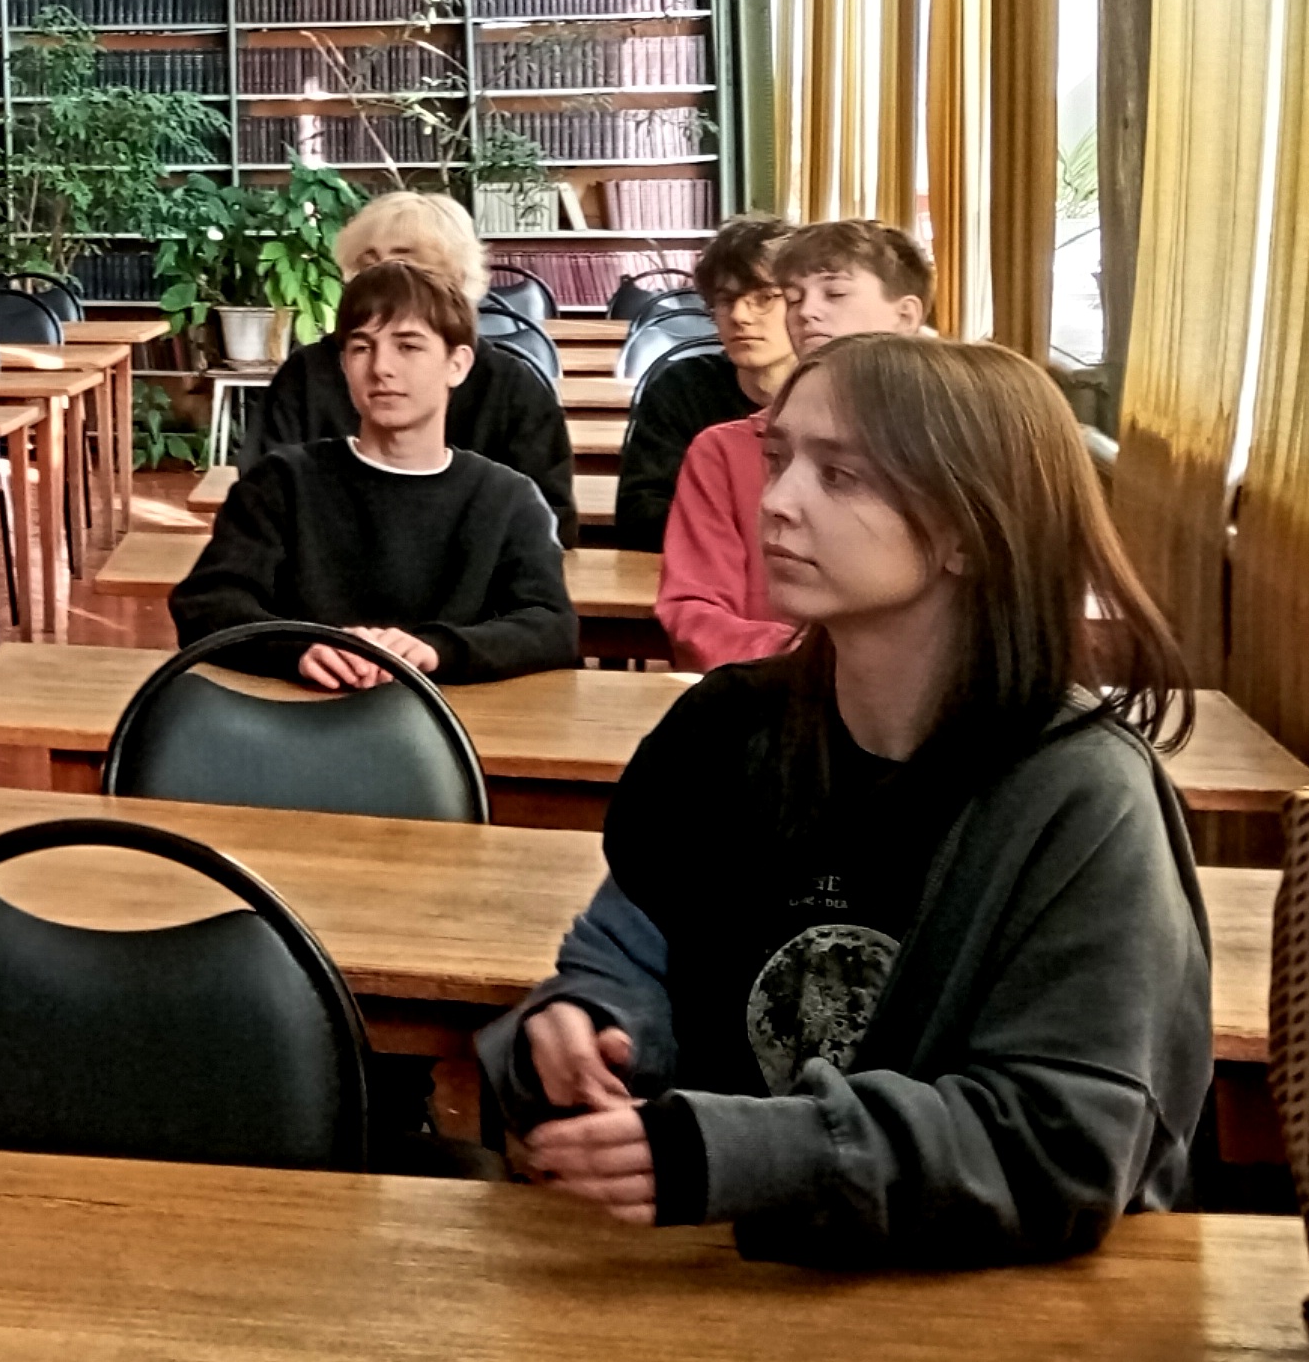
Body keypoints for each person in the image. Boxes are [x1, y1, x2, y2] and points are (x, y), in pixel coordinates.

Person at [482, 334, 1207, 1267]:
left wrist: (745, 1154)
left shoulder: (1081, 796)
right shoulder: (722, 732)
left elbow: (1059, 1142)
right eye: (779, 459)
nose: (775, 501)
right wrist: (583, 1025)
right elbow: (624, 955)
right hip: (722, 1274)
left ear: (965, 530)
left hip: (978, 1297)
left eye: (841, 475)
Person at [171, 260, 577, 688]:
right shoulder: (281, 483)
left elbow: (551, 627)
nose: (381, 367)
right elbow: (207, 604)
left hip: (453, 718)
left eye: (408, 347)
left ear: (457, 364)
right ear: (344, 365)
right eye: (362, 348)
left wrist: (437, 650)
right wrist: (299, 649)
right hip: (299, 712)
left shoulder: (508, 498)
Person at [660, 218, 935, 669]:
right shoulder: (722, 451)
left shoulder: (952, 447)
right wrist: (824, 663)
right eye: (793, 298)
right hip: (771, 688)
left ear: (905, 316)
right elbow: (694, 614)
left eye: (835, 293)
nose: (806, 312)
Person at [231, 191, 577, 543]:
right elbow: (263, 496)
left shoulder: (513, 387)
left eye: (406, 264)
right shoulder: (305, 375)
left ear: (456, 277)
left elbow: (549, 521)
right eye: (368, 265)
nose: (384, 280)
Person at [614, 215, 794, 547]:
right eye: (726, 300)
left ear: (802, 305)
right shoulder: (679, 389)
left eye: (764, 298)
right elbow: (641, 516)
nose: (739, 315)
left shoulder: (839, 395)